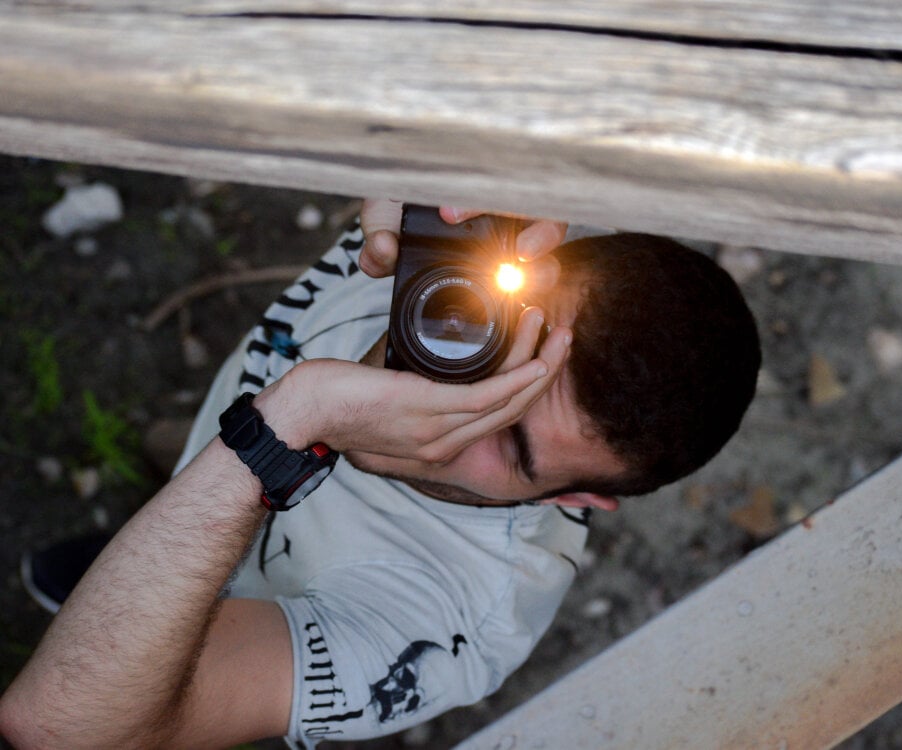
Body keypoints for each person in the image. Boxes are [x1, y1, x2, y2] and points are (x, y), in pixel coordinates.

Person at [0, 201, 760, 749]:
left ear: (577, 497)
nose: (452, 407)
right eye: (494, 349)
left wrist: (296, 422)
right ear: (530, 266)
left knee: (125, 652)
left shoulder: (452, 617)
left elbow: (62, 725)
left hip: (236, 638)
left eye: (513, 445)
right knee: (162, 540)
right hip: (228, 476)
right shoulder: (450, 239)